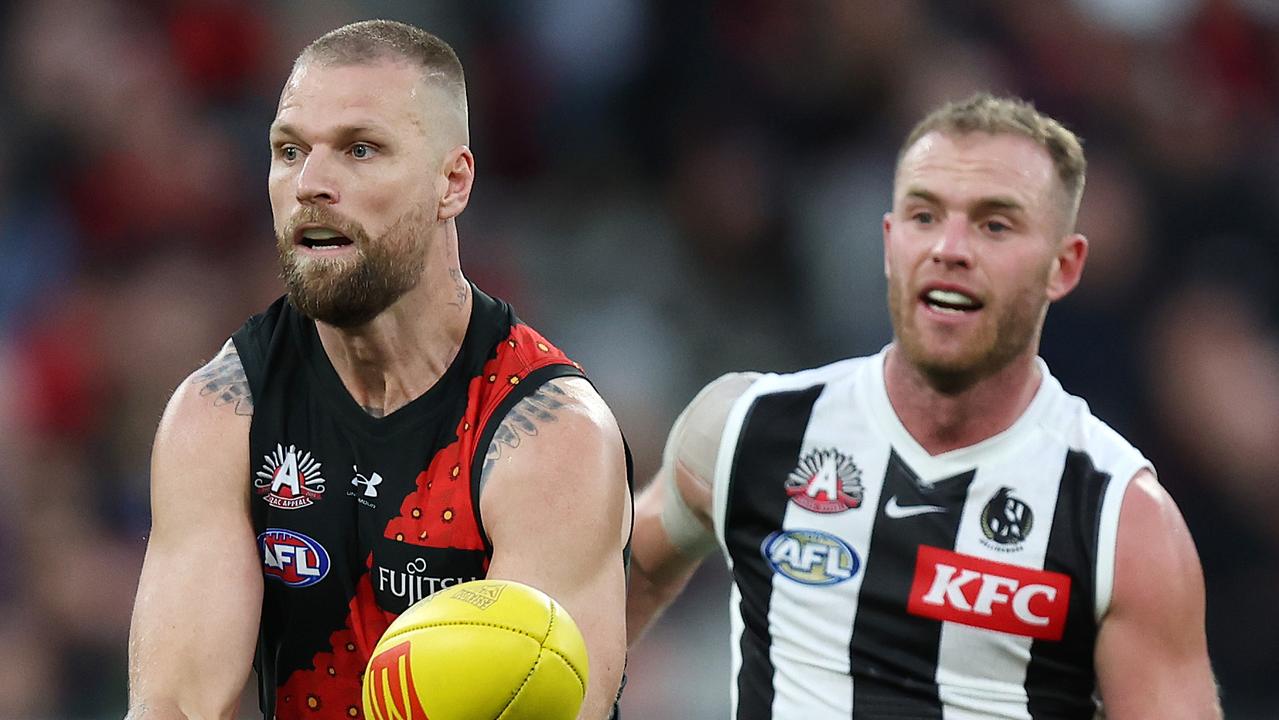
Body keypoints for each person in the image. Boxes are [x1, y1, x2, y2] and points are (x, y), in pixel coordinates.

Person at [626, 94, 1220, 719]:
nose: (950, 248)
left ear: (1062, 266)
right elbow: (615, 585)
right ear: (889, 243)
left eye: (995, 224)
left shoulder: (1120, 519)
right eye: (924, 216)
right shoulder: (749, 428)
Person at [126, 20, 632, 720]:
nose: (310, 184)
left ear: (451, 183)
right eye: (289, 150)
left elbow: (541, 704)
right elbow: (174, 707)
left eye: (360, 150)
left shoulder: (547, 438)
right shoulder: (221, 412)